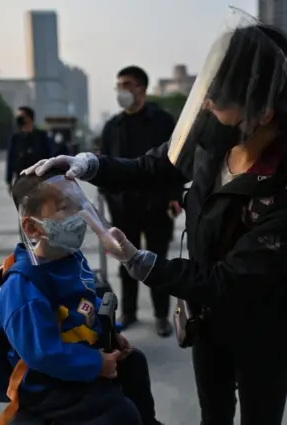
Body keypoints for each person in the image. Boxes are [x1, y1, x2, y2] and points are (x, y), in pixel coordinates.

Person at [24, 14, 287, 425]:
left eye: (218, 103)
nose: (207, 107)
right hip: (208, 322)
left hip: (265, 330)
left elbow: (227, 283)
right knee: (213, 415)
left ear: (263, 113)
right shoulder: (214, 138)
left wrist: (137, 260)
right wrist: (90, 164)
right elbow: (155, 166)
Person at [0, 170, 163, 425]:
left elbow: (88, 303)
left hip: (80, 355)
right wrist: (96, 364)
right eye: (64, 208)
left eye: (76, 206)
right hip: (48, 384)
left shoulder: (71, 260)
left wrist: (110, 334)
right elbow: (43, 354)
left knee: (135, 363)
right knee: (120, 414)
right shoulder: (23, 287)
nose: (77, 216)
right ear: (31, 227)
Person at [100, 65, 182, 336]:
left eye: (127, 84)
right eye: (119, 85)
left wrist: (174, 197)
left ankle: (161, 315)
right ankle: (130, 311)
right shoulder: (112, 127)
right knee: (126, 262)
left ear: (142, 89)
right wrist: (111, 198)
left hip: (157, 205)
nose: (122, 90)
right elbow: (106, 167)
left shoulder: (163, 121)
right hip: (124, 209)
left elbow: (175, 162)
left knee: (157, 261)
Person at [5, 106, 55, 191]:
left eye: (21, 116)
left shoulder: (42, 136)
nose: (19, 119)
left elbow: (50, 156)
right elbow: (11, 159)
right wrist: (9, 181)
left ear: (29, 118)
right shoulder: (15, 138)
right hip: (22, 180)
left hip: (40, 179)